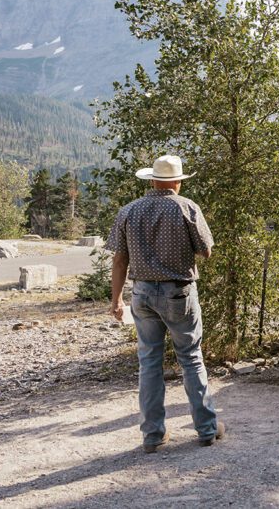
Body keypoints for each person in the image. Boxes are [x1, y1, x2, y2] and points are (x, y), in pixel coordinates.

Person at [107, 155, 225, 453]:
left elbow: (119, 259)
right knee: (190, 358)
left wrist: (116, 298)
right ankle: (207, 428)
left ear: (151, 179)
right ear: (177, 181)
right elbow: (207, 252)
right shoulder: (186, 207)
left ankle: (153, 435)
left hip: (142, 292)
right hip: (178, 292)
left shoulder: (128, 211)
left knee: (149, 363)